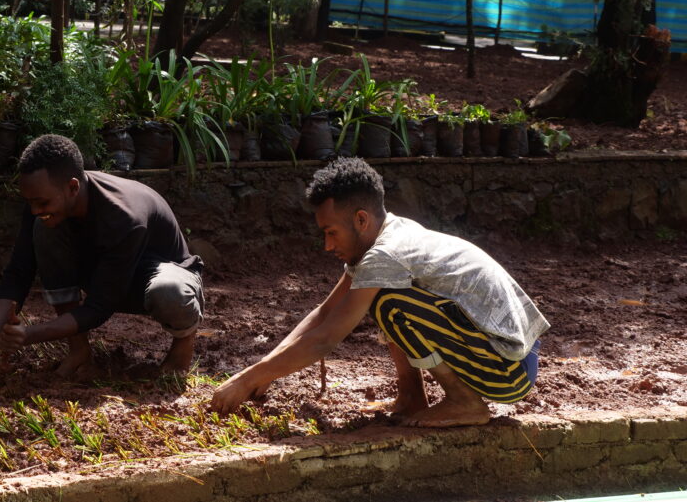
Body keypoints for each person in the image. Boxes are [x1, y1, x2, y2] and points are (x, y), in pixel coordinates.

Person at [210, 157, 549, 427]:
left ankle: (464, 402)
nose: (327, 245)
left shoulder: (385, 255)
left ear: (361, 220)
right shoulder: (389, 237)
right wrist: (260, 371)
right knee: (384, 299)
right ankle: (411, 397)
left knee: (389, 303)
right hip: (507, 357)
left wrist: (247, 380)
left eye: (331, 232)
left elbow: (326, 338)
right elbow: (323, 314)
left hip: (510, 369)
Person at [0, 134, 204, 385]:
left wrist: (28, 334)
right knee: (43, 227)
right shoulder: (46, 200)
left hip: (160, 276)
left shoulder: (125, 216)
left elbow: (99, 309)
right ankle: (79, 350)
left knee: (169, 292)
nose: (35, 210)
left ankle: (184, 342)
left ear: (72, 187)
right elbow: (19, 271)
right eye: (31, 203)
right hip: (107, 272)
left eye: (41, 202)